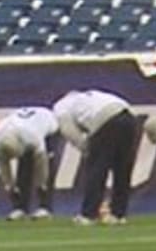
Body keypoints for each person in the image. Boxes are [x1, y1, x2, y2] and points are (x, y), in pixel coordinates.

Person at [53, 89, 142, 226]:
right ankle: (118, 214)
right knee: (122, 168)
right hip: (128, 116)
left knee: (97, 168)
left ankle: (89, 214)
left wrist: (86, 149)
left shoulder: (61, 105)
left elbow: (68, 130)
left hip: (104, 119)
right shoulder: (92, 95)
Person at [0, 106, 59, 220]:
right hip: (22, 127)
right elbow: (3, 167)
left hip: (47, 122)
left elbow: (42, 163)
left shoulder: (32, 135)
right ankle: (20, 208)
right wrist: (10, 188)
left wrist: (42, 185)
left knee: (45, 165)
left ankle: (45, 207)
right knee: (24, 165)